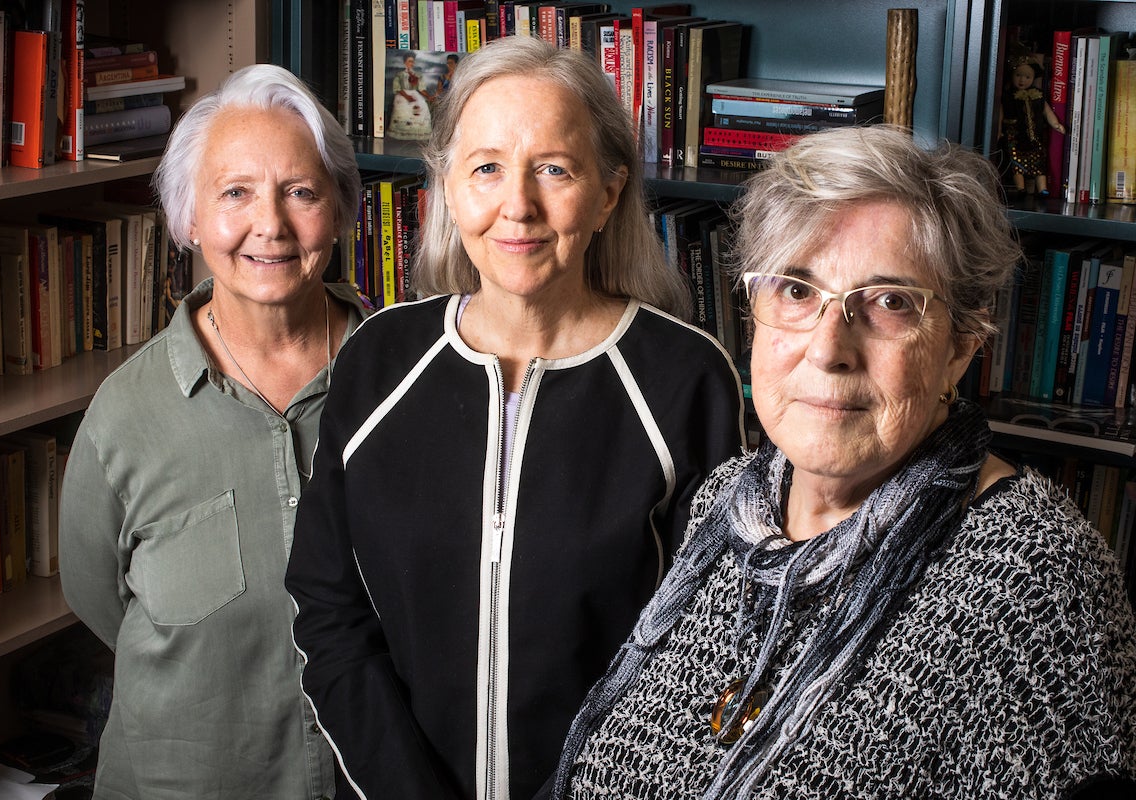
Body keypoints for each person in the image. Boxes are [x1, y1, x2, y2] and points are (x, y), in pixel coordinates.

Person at [551, 125, 1136, 799]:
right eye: (796, 291)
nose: (829, 348)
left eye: (889, 302)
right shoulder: (728, 505)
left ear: (961, 346)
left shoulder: (1037, 578)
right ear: (754, 316)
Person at [285, 35, 745, 800]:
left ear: (606, 193)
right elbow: (328, 609)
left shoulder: (686, 380)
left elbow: (707, 652)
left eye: (554, 170)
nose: (517, 206)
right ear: (447, 188)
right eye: (487, 168)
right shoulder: (379, 360)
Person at [59, 63, 370, 799]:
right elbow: (95, 596)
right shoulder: (125, 414)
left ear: (340, 211)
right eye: (236, 193)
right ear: (190, 218)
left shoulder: (407, 381)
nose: (271, 225)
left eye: (300, 191)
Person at [999, 53, 1065, 195]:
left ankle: (1042, 188)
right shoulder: (1009, 97)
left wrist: (1056, 124)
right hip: (1015, 136)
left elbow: (1047, 111)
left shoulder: (1038, 96)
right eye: (1018, 75)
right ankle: (1021, 188)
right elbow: (1000, 114)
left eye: (1027, 77)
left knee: (1039, 164)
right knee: (1016, 163)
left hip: (1034, 137)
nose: (1022, 80)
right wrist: (999, 130)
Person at [387, 52, 434, 141]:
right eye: (409, 61)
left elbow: (421, 89)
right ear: (405, 62)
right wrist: (407, 97)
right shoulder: (400, 75)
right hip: (402, 95)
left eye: (412, 61)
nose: (411, 63)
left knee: (422, 105)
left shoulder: (417, 75)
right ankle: (403, 133)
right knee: (403, 108)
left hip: (415, 94)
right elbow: (397, 88)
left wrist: (428, 97)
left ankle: (418, 133)